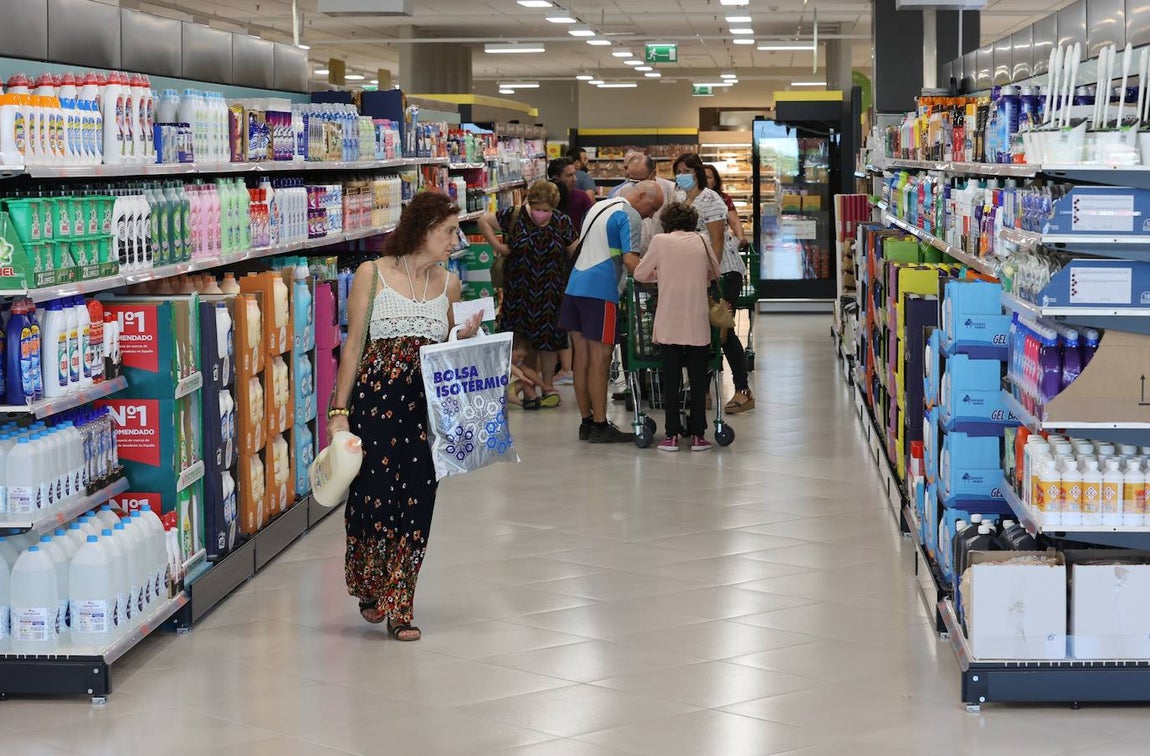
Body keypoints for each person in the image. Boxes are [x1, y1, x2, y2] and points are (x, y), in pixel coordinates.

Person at [327, 191, 483, 642]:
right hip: (374, 407)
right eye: (450, 231)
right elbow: (354, 346)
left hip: (423, 413)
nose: (456, 241)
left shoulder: (449, 285)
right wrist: (339, 412)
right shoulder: (370, 275)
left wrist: (464, 336)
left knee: (416, 503)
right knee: (372, 500)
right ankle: (368, 582)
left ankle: (401, 603)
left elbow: (446, 353)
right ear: (424, 228)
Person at [560, 180, 663, 442]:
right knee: (601, 360)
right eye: (653, 207)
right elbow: (631, 261)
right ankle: (601, 424)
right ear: (641, 195)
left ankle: (586, 423)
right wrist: (661, 278)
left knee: (581, 360)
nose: (651, 214)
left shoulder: (597, 207)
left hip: (574, 288)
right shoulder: (629, 215)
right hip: (600, 292)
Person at [477, 180, 578, 407]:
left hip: (551, 291)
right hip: (519, 290)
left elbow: (574, 251)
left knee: (549, 341)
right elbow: (483, 220)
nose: (541, 214)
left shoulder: (562, 222)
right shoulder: (514, 216)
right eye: (537, 209)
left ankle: (548, 387)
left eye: (546, 210)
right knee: (522, 341)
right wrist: (498, 246)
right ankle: (529, 389)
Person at [634, 203, 721, 452]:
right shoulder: (702, 240)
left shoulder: (660, 241)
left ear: (667, 222)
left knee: (670, 379)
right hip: (697, 317)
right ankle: (697, 436)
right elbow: (715, 272)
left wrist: (662, 276)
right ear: (693, 221)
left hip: (669, 318)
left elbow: (640, 274)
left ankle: (671, 435)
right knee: (697, 380)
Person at [672, 152, 754, 414]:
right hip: (693, 274)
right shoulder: (678, 197)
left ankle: (743, 390)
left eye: (685, 170)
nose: (681, 175)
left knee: (723, 330)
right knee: (701, 333)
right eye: (678, 171)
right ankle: (702, 389)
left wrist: (713, 275)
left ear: (696, 172)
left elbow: (717, 241)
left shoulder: (712, 200)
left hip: (724, 273)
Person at [704, 163, 747, 246]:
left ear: (715, 182)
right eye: (701, 177)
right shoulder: (690, 198)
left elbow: (734, 221)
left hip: (721, 243)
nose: (704, 180)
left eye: (708, 177)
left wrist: (740, 237)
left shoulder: (724, 198)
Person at [548, 157, 595, 232]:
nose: (575, 179)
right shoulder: (543, 198)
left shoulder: (582, 197)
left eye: (574, 174)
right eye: (569, 175)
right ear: (555, 178)